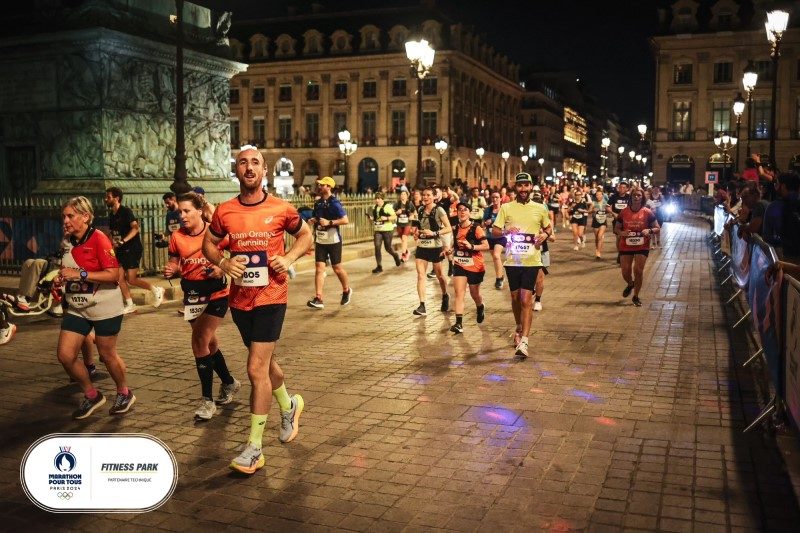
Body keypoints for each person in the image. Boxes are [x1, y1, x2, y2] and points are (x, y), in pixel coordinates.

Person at [203, 147, 312, 475]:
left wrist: (289, 258)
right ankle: (289, 405)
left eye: (255, 163)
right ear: (236, 170)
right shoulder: (225, 211)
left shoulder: (281, 208)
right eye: (242, 163)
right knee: (266, 365)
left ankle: (254, 449)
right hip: (240, 301)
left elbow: (305, 236)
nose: (248, 168)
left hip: (272, 298)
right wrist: (223, 261)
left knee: (254, 369)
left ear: (265, 170)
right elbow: (208, 244)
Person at [56, 196, 135, 419]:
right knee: (65, 355)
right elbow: (68, 269)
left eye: (70, 216)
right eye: (64, 216)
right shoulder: (67, 241)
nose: (66, 220)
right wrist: (61, 279)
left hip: (105, 305)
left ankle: (124, 392)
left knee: (107, 355)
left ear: (86, 217)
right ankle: (92, 395)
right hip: (77, 307)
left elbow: (113, 275)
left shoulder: (99, 239)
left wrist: (79, 274)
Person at [165, 192, 240, 420]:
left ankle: (207, 402)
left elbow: (234, 254)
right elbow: (175, 261)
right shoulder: (176, 237)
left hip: (216, 293)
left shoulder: (214, 233)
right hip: (193, 295)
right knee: (209, 343)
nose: (182, 216)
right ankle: (229, 383)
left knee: (199, 342)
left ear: (199, 211)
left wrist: (222, 267)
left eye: (187, 211)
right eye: (180, 212)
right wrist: (172, 269)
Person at [492, 172, 552, 358]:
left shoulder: (540, 208)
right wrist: (505, 230)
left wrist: (545, 235)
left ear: (531, 187)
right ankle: (518, 325)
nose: (523, 189)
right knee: (516, 298)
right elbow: (494, 231)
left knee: (526, 299)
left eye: (526, 185)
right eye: (520, 186)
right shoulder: (506, 208)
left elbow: (548, 227)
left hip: (532, 260)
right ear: (515, 187)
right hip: (512, 261)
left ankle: (524, 341)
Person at [105, 187, 164, 314]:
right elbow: (112, 233)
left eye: (108, 197)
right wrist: (109, 245)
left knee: (131, 279)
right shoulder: (111, 215)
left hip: (132, 248)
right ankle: (130, 304)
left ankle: (156, 290)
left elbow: (135, 228)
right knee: (120, 278)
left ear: (116, 198)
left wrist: (123, 241)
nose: (106, 199)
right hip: (120, 250)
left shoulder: (126, 211)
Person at [306, 176, 352, 309]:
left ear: (329, 187)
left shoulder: (335, 203)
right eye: (319, 185)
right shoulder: (318, 202)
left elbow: (345, 220)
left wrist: (330, 222)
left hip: (333, 240)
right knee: (319, 268)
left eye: (322, 185)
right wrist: (313, 220)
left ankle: (346, 290)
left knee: (337, 268)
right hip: (320, 240)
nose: (320, 187)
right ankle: (318, 298)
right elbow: (317, 216)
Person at [614, 188, 660, 307]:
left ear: (642, 197)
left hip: (642, 245)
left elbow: (657, 228)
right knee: (625, 271)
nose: (636, 197)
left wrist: (649, 230)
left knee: (638, 271)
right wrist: (622, 233)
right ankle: (630, 284)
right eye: (634, 195)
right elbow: (616, 228)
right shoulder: (624, 212)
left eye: (639, 195)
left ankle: (636, 296)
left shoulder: (647, 212)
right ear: (631, 197)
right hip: (626, 245)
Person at [449, 202, 488, 333]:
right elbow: (453, 246)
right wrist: (448, 251)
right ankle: (459, 324)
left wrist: (471, 246)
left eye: (465, 210)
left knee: (474, 293)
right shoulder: (455, 229)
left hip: (475, 265)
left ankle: (480, 306)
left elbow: (486, 245)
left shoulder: (476, 228)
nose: (462, 212)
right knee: (459, 293)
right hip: (459, 264)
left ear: (469, 212)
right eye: (460, 210)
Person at [412, 187, 452, 316]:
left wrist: (434, 233)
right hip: (422, 246)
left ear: (434, 197)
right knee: (420, 275)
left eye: (428, 195)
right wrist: (417, 233)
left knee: (440, 276)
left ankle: (445, 295)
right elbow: (420, 227)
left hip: (435, 246)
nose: (425, 197)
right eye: (424, 195)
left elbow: (448, 228)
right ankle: (422, 305)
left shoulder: (439, 210)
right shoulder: (420, 209)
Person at [367, 192, 401, 273]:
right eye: (376, 198)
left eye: (378, 198)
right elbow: (374, 219)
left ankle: (395, 256)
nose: (377, 200)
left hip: (387, 230)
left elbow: (394, 216)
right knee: (377, 247)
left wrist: (386, 218)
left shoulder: (387, 207)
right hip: (378, 230)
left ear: (382, 199)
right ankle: (379, 266)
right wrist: (370, 218)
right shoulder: (374, 207)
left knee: (388, 248)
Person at [483, 191, 506, 289]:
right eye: (493, 197)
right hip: (490, 236)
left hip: (501, 236)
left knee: (496, 256)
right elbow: (483, 223)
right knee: (495, 258)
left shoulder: (504, 209)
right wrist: (486, 223)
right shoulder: (488, 210)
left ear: (500, 198)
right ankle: (500, 275)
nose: (495, 199)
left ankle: (499, 279)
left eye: (497, 197)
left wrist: (492, 221)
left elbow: (508, 221)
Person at [606, 181, 631, 264]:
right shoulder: (614, 197)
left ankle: (625, 253)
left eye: (624, 187)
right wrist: (614, 213)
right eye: (620, 187)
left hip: (627, 220)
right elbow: (607, 207)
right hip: (617, 220)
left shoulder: (629, 197)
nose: (622, 189)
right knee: (618, 238)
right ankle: (620, 253)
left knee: (625, 237)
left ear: (627, 189)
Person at [394, 189, 415, 262]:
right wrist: (397, 212)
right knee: (403, 240)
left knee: (404, 238)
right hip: (399, 224)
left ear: (407, 196)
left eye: (404, 194)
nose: (402, 196)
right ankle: (406, 251)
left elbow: (414, 212)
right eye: (401, 194)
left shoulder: (410, 203)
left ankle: (403, 256)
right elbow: (392, 213)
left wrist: (412, 216)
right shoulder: (397, 203)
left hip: (407, 223)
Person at [589, 189, 609, 260]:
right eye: (597, 195)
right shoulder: (593, 203)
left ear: (602, 195)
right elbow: (589, 211)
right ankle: (597, 248)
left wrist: (607, 210)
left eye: (600, 195)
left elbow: (609, 210)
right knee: (597, 237)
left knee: (600, 236)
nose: (598, 196)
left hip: (603, 221)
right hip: (596, 221)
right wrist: (592, 210)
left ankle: (598, 252)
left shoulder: (605, 202)